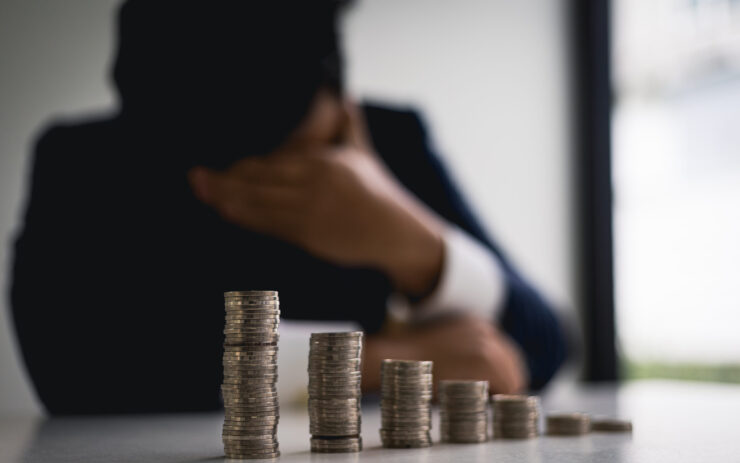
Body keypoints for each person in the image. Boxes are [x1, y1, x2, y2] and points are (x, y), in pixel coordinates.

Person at [11, 0, 566, 414]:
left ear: (341, 115)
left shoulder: (390, 143)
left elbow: (547, 344)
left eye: (302, 164)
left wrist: (416, 244)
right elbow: (73, 375)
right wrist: (387, 362)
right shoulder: (84, 163)